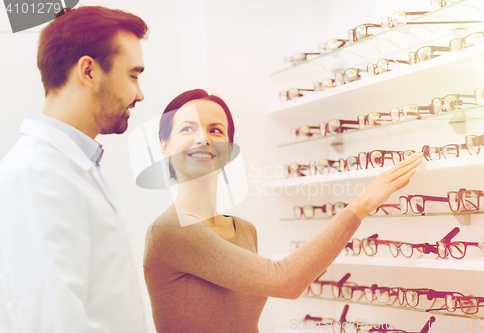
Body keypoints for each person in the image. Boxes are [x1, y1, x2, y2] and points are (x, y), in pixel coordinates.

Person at [143, 89, 423, 333]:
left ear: (228, 150)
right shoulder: (170, 229)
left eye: (215, 130)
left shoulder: (245, 231)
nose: (203, 138)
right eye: (187, 129)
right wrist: (362, 204)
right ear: (165, 147)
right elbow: (285, 280)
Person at [0, 6, 149, 332]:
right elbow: (51, 322)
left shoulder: (75, 167)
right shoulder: (36, 175)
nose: (140, 94)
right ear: (88, 71)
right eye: (134, 76)